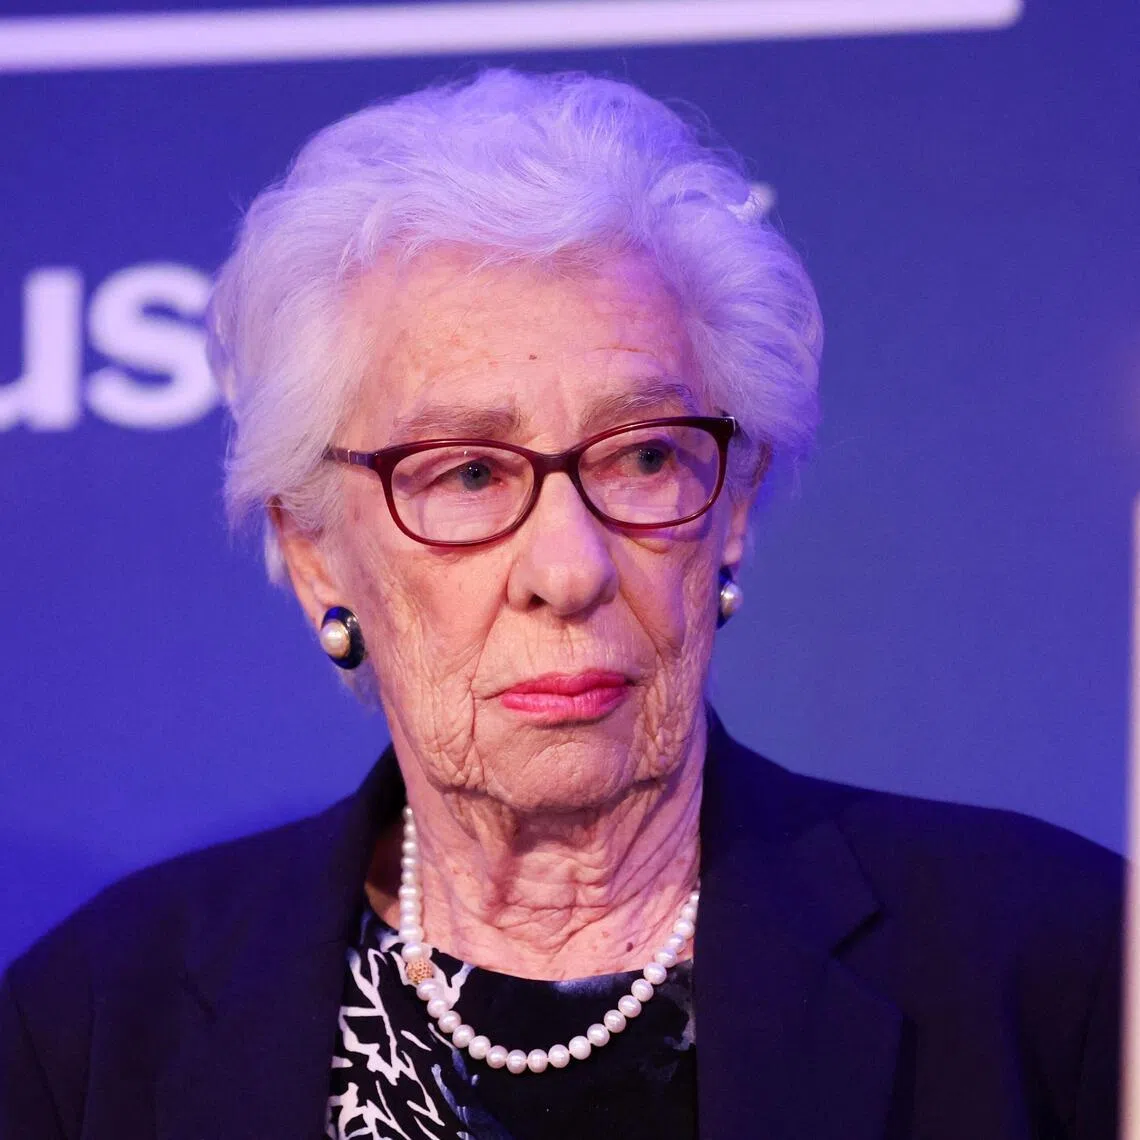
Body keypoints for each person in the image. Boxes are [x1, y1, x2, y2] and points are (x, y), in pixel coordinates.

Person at [0, 69, 1122, 1140]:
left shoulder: (1060, 971)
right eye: (467, 473)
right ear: (316, 556)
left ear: (729, 510)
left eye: (640, 457)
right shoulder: (95, 1030)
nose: (570, 567)